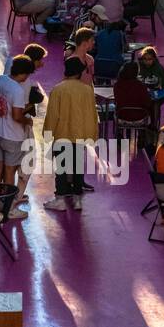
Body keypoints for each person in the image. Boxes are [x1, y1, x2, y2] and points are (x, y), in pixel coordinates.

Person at [0, 56, 34, 222]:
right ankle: (9, 208)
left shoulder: (0, 80)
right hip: (13, 136)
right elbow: (17, 116)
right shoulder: (17, 90)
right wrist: (28, 120)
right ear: (23, 74)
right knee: (10, 171)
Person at [42, 57, 99, 211]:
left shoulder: (58, 89)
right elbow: (92, 115)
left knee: (61, 168)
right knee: (78, 167)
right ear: (80, 72)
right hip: (80, 135)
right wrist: (92, 135)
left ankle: (60, 199)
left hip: (62, 135)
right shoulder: (87, 90)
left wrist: (47, 133)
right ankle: (77, 199)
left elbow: (53, 114)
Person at [114, 60, 153, 125]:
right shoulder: (141, 85)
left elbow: (117, 100)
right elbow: (147, 103)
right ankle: (145, 133)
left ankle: (119, 133)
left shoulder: (117, 85)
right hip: (139, 118)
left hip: (121, 117)